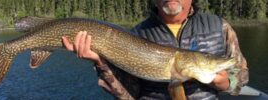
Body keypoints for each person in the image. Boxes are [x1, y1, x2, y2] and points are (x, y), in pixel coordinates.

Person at [61, 0, 248, 99]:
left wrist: (226, 83)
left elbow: (241, 74)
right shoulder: (135, 35)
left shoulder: (219, 27)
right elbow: (127, 95)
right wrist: (100, 62)